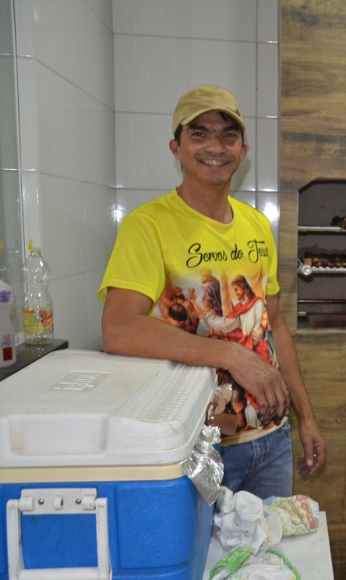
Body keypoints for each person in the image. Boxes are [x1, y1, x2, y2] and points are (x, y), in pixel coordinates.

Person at [98, 84, 326, 499]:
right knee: (205, 564)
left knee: (266, 557)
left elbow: (273, 325)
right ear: (176, 147)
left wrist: (306, 417)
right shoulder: (147, 226)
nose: (215, 146)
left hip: (272, 441)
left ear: (243, 149)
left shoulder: (257, 225)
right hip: (198, 448)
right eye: (199, 133)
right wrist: (230, 354)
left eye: (228, 134)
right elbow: (118, 329)